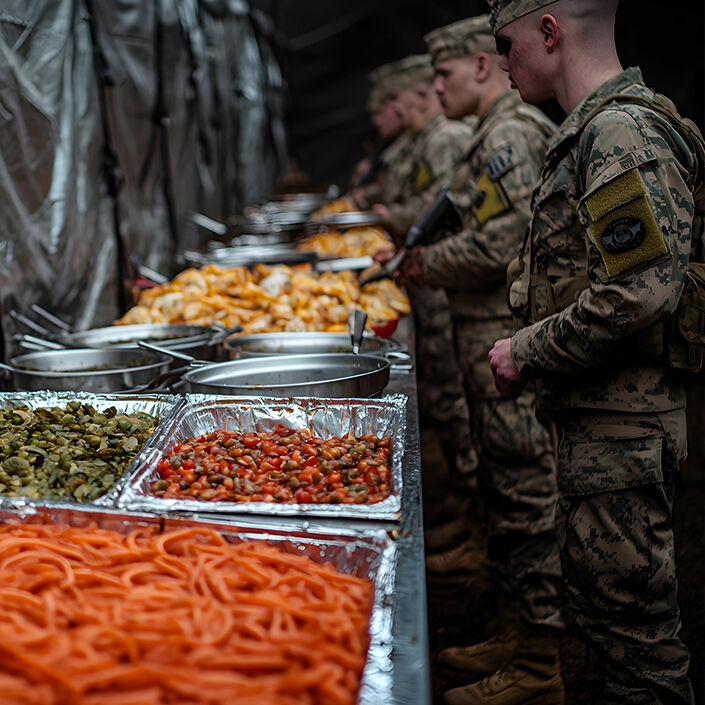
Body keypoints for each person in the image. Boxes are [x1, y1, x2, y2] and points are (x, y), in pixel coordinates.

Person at [486, 1, 700, 702]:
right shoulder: (589, 134)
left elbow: (640, 290)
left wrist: (528, 349)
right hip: (598, 428)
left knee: (635, 653)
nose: (502, 61)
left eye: (506, 42)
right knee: (595, 639)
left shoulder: (617, 132)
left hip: (621, 435)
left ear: (548, 32)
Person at [399, 15, 564, 704]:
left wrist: (422, 263)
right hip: (489, 339)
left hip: (504, 339)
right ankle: (514, 628)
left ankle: (540, 657)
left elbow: (499, 243)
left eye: (443, 73)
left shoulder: (506, 135)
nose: (433, 88)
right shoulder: (492, 135)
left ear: (477, 66)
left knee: (526, 494)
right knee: (504, 490)